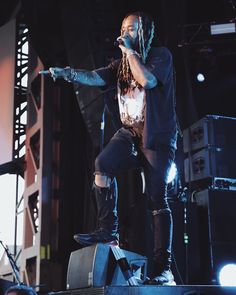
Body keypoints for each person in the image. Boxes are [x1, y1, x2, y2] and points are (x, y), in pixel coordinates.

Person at [47, 11, 178, 286]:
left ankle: (164, 270)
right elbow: (95, 78)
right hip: (130, 133)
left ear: (145, 33)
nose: (126, 32)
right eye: (123, 28)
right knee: (102, 166)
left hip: (157, 137)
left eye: (132, 28)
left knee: (157, 199)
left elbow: (148, 81)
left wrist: (130, 53)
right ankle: (108, 230)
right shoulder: (119, 65)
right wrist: (67, 74)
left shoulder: (160, 56)